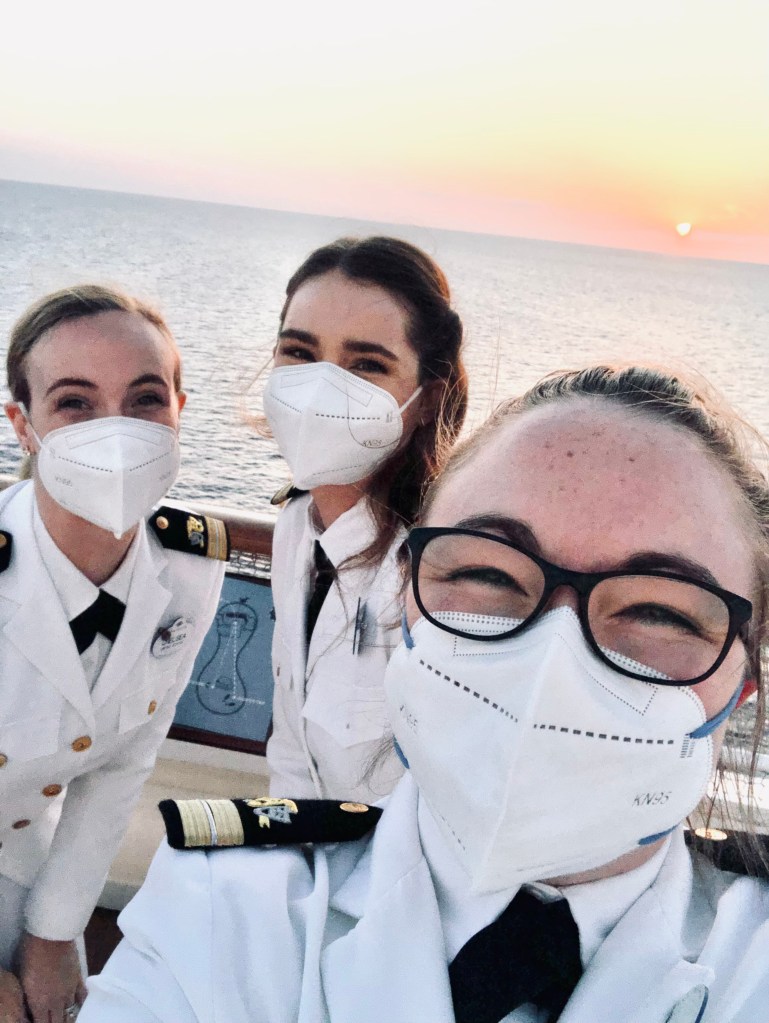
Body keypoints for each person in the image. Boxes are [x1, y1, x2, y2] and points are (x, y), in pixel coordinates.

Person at [81, 364, 769, 1023]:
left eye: (660, 612)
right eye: (486, 572)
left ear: (742, 682)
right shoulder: (222, 903)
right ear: (404, 595)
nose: (549, 666)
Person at [0, 286, 229, 1023]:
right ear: (22, 425)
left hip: (25, 860)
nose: (118, 430)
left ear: (179, 409)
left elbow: (120, 760)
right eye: (74, 402)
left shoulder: (189, 565)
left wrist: (54, 930)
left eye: (144, 398)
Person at [261, 236, 467, 801]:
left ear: (426, 399)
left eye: (367, 365)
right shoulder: (296, 529)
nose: (321, 389)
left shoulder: (441, 575)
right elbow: (292, 748)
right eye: (299, 353)